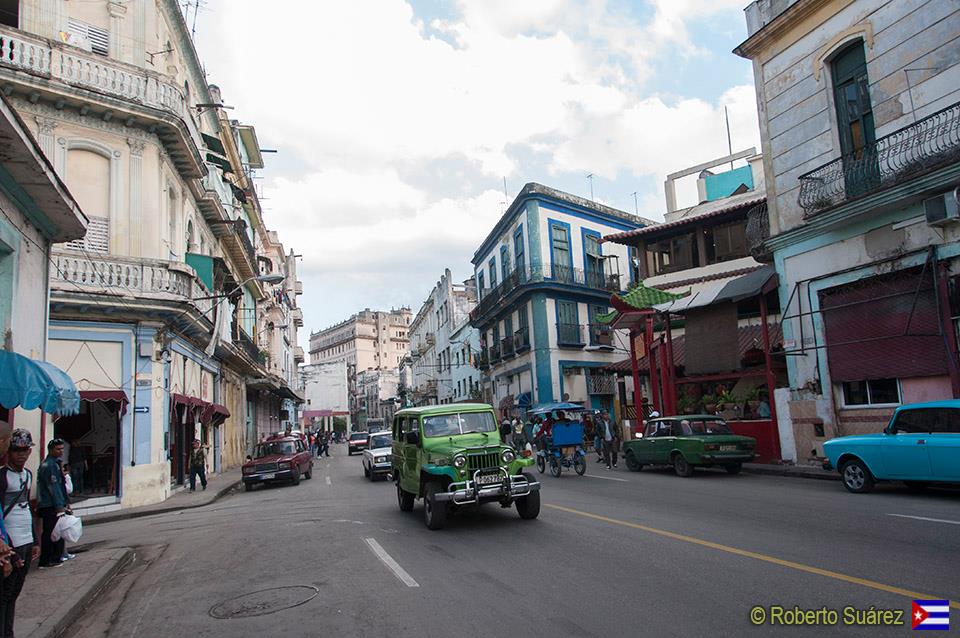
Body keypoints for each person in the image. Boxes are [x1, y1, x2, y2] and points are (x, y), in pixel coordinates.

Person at [1, 429, 42, 637]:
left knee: (15, 591)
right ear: (9, 451)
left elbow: (27, 510)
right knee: (5, 593)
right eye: (17, 450)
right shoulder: (2, 476)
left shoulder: (27, 475)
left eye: (25, 450)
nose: (22, 455)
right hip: (10, 543)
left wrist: (35, 540)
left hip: (26, 539)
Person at [37, 438, 69, 568]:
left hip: (55, 503)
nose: (61, 451)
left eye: (62, 449)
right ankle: (46, 560)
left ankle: (56, 557)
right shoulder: (49, 465)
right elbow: (53, 487)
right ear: (51, 450)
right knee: (50, 533)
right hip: (49, 504)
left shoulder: (55, 463)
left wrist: (65, 502)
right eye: (58, 449)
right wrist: (59, 506)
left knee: (57, 532)